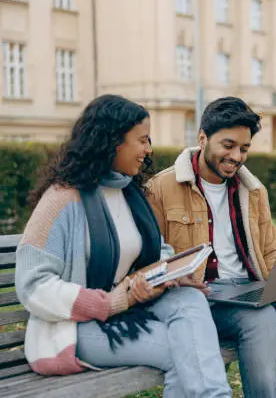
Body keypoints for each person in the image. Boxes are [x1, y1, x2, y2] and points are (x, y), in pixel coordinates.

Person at [15, 95, 231, 397]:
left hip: (132, 308)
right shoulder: (61, 200)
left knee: (190, 302)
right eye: (142, 140)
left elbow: (153, 250)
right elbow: (32, 284)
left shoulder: (129, 192)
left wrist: (169, 274)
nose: (148, 149)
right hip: (77, 327)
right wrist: (108, 302)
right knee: (186, 351)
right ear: (113, 140)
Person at [147, 96, 276, 398]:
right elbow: (151, 258)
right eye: (228, 145)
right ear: (202, 138)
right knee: (261, 318)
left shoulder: (253, 190)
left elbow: (269, 252)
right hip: (202, 301)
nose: (236, 156)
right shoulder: (161, 188)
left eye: (244, 148)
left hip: (253, 292)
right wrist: (180, 280)